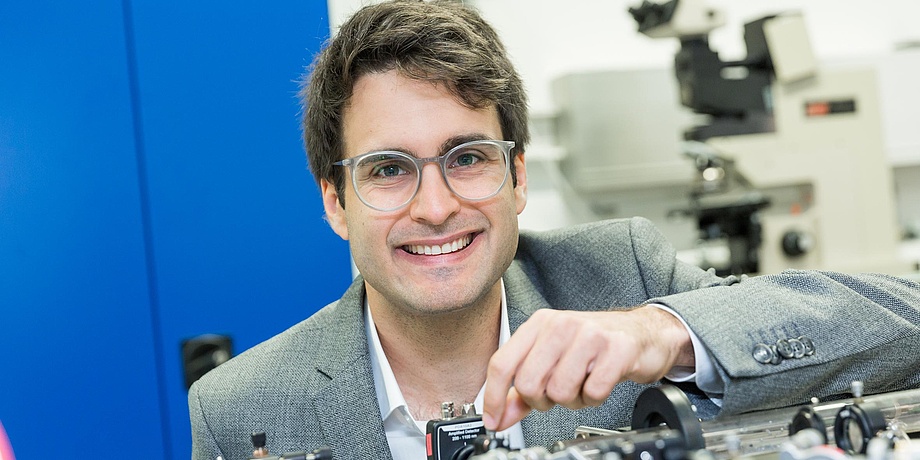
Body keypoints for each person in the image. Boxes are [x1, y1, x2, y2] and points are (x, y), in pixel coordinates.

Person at [188, 1, 920, 459]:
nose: (435, 206)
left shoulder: (623, 280)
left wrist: (660, 333)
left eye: (468, 157)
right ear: (335, 201)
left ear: (520, 177)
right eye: (387, 170)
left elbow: (906, 327)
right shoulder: (238, 411)